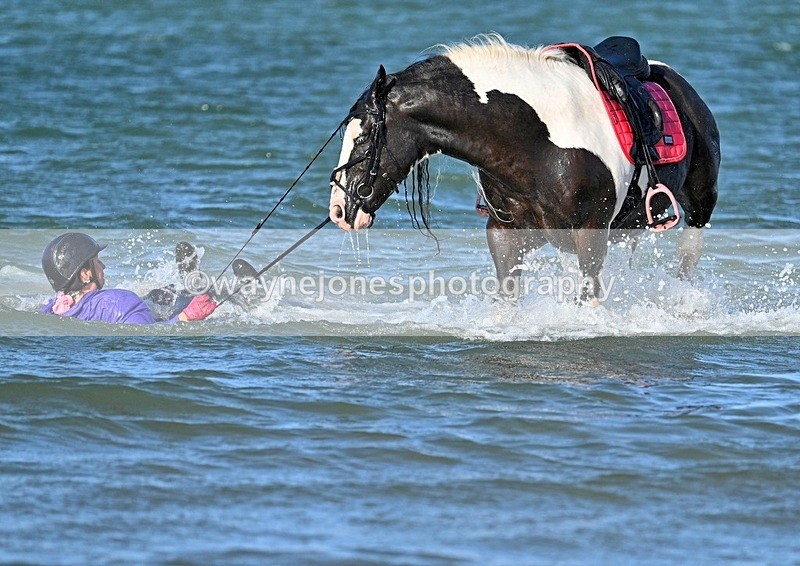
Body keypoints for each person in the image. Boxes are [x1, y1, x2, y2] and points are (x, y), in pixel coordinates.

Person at [40, 232, 216, 324]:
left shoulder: (51, 309)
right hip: (157, 318)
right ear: (85, 275)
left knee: (157, 296)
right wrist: (186, 317)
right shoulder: (120, 302)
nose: (103, 266)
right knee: (176, 297)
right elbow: (148, 339)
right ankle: (197, 284)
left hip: (138, 312)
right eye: (97, 262)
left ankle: (189, 280)